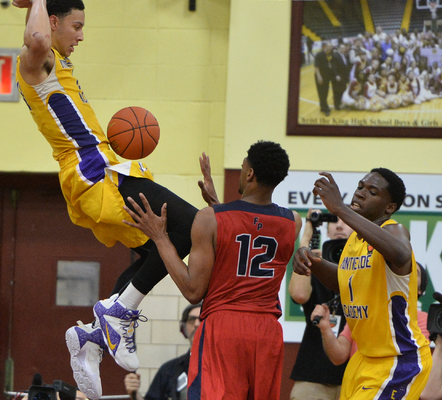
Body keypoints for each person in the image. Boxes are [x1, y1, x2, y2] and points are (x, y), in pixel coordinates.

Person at [10, 0, 199, 396]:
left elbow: (42, 32)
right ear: (55, 23)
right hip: (94, 170)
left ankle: (94, 338)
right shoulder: (34, 60)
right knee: (191, 226)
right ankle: (116, 315)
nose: (81, 35)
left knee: (160, 247)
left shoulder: (51, 59)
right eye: (76, 26)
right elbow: (36, 36)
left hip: (98, 168)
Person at [122, 140, 303, 400]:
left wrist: (160, 238)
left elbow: (193, 290)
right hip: (267, 332)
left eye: (243, 168)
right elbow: (252, 230)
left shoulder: (211, 218)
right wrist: (218, 205)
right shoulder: (292, 222)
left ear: (249, 174)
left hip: (224, 327)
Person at [293, 168, 432, 400]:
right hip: (364, 358)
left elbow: (400, 254)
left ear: (389, 207)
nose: (360, 194)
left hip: (397, 358)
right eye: (360, 187)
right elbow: (343, 281)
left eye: (372, 191)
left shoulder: (394, 229)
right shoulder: (354, 241)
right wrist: (313, 262)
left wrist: (339, 209)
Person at [311, 262, 431, 366]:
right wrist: (326, 328)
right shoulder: (364, 310)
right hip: (357, 385)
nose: (406, 274)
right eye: (402, 271)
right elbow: (338, 357)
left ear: (420, 289)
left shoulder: (422, 319)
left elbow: (410, 359)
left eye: (414, 272)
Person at [288, 212, 353, 400]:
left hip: (355, 377)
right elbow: (299, 294)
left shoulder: (366, 268)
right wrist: (305, 241)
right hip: (313, 376)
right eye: (334, 222)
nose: (339, 226)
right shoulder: (314, 264)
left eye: (346, 221)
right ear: (327, 229)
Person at [124, 303, 202, 400]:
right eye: (191, 320)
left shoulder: (222, 367)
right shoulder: (169, 370)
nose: (197, 324)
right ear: (183, 328)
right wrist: (135, 395)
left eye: (202, 320)